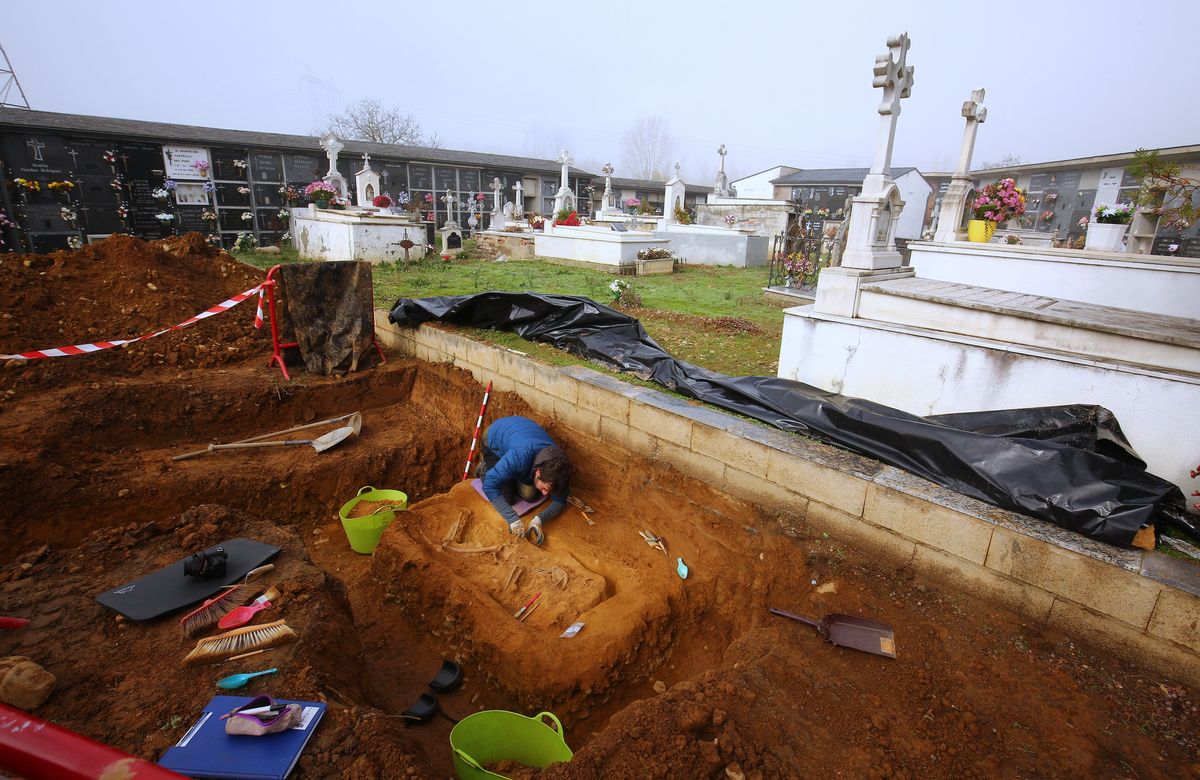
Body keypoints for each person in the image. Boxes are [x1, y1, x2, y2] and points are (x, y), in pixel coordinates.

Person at [476, 415, 571, 545]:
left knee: (530, 495)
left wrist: (538, 520)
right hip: (494, 439)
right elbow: (489, 486)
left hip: (522, 437)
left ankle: (507, 470)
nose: (545, 494)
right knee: (507, 497)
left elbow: (560, 500)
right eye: (545, 489)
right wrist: (512, 519)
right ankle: (485, 468)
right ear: (538, 472)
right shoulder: (520, 456)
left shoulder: (559, 468)